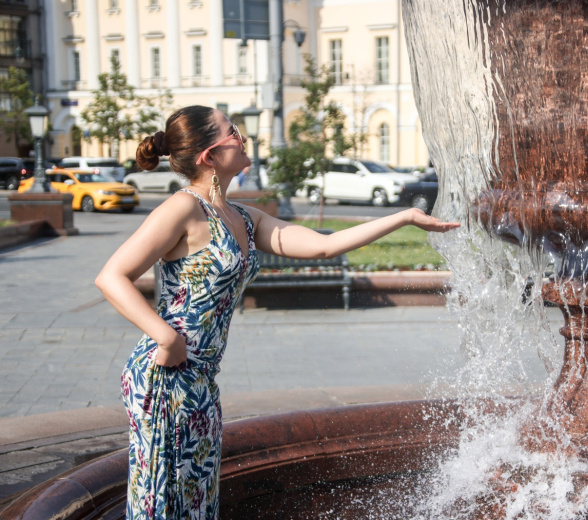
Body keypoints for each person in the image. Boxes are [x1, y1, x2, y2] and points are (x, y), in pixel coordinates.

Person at [94, 105, 459, 519]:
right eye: (233, 132)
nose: (243, 137)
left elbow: (324, 245)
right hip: (166, 374)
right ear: (209, 156)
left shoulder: (243, 218)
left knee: (196, 501)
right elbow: (112, 277)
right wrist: (166, 337)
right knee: (160, 504)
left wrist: (405, 217)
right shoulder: (183, 208)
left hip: (200, 377)